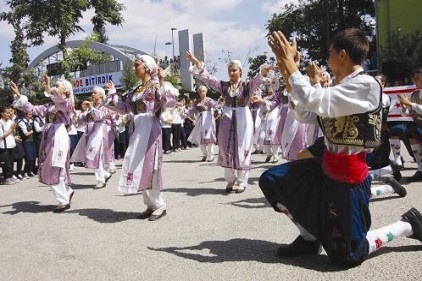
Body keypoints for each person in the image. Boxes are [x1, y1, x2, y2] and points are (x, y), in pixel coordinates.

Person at [259, 28, 422, 267]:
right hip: (326, 166)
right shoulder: (340, 88)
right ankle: (309, 238)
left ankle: (407, 225)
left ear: (342, 55)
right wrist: (286, 68)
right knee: (273, 181)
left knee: (349, 256)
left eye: (330, 53)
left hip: (349, 177)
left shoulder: (366, 85)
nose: (328, 59)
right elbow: (306, 113)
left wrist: (291, 67)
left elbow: (318, 102)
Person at [105, 54, 177, 221]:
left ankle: (160, 205)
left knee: (151, 165)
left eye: (137, 65)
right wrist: (112, 93)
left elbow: (168, 101)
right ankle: (150, 204)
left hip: (150, 127)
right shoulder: (136, 90)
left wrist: (161, 81)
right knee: (138, 165)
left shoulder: (154, 85)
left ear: (146, 67)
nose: (133, 68)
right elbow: (124, 108)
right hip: (137, 129)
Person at [186, 51, 271, 193]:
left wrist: (262, 71)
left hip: (243, 118)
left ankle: (242, 181)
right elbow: (208, 79)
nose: (231, 73)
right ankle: (230, 180)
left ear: (240, 71)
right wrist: (196, 62)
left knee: (242, 147)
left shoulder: (246, 85)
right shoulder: (224, 86)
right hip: (227, 118)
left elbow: (257, 80)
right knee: (226, 147)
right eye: (229, 70)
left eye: (234, 70)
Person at [11, 76, 75, 213]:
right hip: (49, 135)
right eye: (54, 86)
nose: (53, 88)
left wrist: (48, 88)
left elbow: (60, 100)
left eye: (57, 86)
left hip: (58, 135)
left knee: (54, 166)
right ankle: (67, 191)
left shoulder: (67, 103)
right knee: (54, 166)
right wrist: (18, 95)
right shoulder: (49, 106)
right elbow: (31, 109)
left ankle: (63, 201)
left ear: (65, 90)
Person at [71, 86, 114, 189]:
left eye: (95, 93)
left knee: (95, 154)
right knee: (89, 154)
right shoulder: (92, 106)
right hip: (91, 133)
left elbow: (100, 116)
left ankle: (101, 180)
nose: (92, 95)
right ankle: (104, 174)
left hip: (101, 132)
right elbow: (83, 119)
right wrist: (77, 113)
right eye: (92, 93)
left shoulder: (105, 106)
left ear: (101, 95)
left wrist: (91, 108)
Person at [398, 67, 422, 182]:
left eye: (418, 78)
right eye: (415, 78)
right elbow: (408, 113)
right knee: (411, 135)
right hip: (418, 125)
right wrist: (404, 108)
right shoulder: (414, 94)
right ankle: (421, 169)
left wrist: (409, 103)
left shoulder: (412, 98)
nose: (415, 80)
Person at [187, 85, 217, 162]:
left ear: (206, 92)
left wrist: (209, 107)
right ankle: (205, 154)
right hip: (200, 120)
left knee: (209, 138)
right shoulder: (196, 101)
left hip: (208, 120)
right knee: (200, 138)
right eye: (200, 91)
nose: (201, 93)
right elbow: (192, 110)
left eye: (203, 91)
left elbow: (216, 105)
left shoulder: (209, 100)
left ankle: (211, 155)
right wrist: (185, 112)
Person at [0, 106, 17, 185]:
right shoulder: (0, 123)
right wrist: (11, 129)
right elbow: (1, 136)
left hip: (11, 144)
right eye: (7, 113)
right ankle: (6, 178)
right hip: (4, 146)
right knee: (6, 163)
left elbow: (12, 133)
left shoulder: (10, 121)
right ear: (2, 114)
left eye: (9, 112)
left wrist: (14, 132)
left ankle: (10, 176)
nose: (9, 114)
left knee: (11, 162)